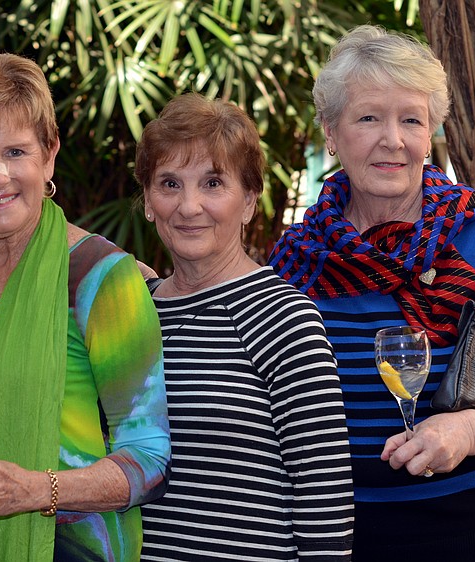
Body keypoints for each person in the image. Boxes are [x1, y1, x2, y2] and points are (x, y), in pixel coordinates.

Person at [269, 25, 475, 561]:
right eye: (368, 118)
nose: (392, 139)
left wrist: (473, 429)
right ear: (331, 131)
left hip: (465, 535)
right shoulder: (297, 259)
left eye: (411, 120)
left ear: (430, 133)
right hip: (322, 537)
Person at [0, 51, 170, 561]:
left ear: (48, 156)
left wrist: (33, 490)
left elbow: (150, 460)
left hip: (72, 550)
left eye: (15, 152)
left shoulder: (100, 276)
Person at [134, 92, 354, 560]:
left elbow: (324, 499)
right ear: (148, 200)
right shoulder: (131, 312)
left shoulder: (284, 317)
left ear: (250, 200)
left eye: (213, 183)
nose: (189, 206)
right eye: (169, 183)